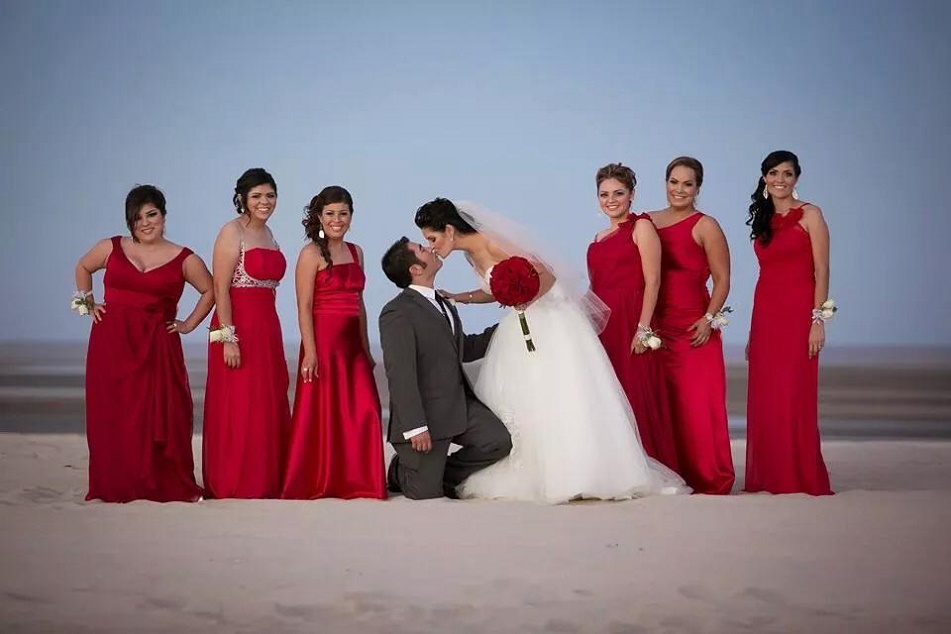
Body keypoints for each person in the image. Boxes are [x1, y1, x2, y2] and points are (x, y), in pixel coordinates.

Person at [416, 198, 687, 503]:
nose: (432, 246)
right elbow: (495, 291)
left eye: (432, 238)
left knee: (561, 393)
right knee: (525, 397)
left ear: (450, 230)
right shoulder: (470, 256)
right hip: (520, 323)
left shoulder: (494, 243)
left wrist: (525, 300)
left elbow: (546, 275)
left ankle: (581, 473)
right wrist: (460, 297)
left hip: (549, 319)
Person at [74, 184, 212, 502]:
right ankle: (114, 484)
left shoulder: (184, 257)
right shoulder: (110, 247)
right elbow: (83, 267)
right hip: (111, 345)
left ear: (163, 215)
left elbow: (211, 291)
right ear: (129, 222)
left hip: (157, 348)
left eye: (152, 214)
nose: (146, 223)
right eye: (138, 218)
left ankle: (160, 484)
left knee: (160, 416)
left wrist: (189, 324)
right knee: (112, 416)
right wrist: (87, 305)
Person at [379, 237, 512, 500]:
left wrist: (509, 328)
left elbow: (464, 349)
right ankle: (399, 470)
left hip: (459, 406)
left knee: (499, 441)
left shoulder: (443, 302)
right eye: (421, 249)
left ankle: (438, 474)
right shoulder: (397, 312)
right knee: (425, 493)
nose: (428, 248)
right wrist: (416, 427)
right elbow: (400, 374)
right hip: (425, 417)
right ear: (415, 269)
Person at [281, 186, 386, 500]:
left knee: (365, 410)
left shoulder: (357, 252)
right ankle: (323, 481)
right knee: (324, 415)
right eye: (330, 214)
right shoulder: (310, 254)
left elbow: (360, 303)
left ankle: (361, 482)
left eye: (343, 213)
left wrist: (366, 350)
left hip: (353, 346)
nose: (337, 220)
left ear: (351, 216)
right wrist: (310, 352)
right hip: (323, 345)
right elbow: (303, 305)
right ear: (319, 217)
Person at [745, 150, 833, 495]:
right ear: (764, 177)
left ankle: (798, 475)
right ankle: (769, 476)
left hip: (799, 316)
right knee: (767, 397)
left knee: (794, 394)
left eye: (787, 174)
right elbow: (763, 276)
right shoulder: (763, 219)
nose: (780, 180)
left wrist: (818, 321)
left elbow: (822, 270)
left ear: (797, 178)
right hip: (766, 316)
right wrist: (753, 332)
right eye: (773, 173)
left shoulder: (811, 214)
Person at [203, 168, 290, 499]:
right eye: (257, 196)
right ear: (242, 198)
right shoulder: (231, 232)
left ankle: (267, 479)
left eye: (270, 195)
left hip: (267, 327)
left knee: (267, 403)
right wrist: (228, 337)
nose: (264, 202)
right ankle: (233, 483)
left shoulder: (270, 234)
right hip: (234, 327)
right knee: (238, 406)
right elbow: (220, 289)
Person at [586, 163, 680, 472]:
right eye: (604, 194)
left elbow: (653, 280)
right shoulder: (598, 238)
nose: (610, 200)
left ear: (632, 195)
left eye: (618, 193)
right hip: (605, 325)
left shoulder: (642, 228)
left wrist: (643, 328)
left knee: (637, 392)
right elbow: (594, 287)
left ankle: (648, 466)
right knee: (609, 396)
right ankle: (618, 469)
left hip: (632, 320)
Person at [650, 157, 735, 495]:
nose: (679, 189)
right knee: (664, 406)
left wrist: (709, 318)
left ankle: (708, 477)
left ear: (698, 188)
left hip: (694, 330)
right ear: (666, 182)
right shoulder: (648, 221)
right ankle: (669, 475)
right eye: (674, 182)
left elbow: (723, 279)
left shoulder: (705, 225)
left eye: (687, 184)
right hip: (658, 331)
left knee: (699, 406)